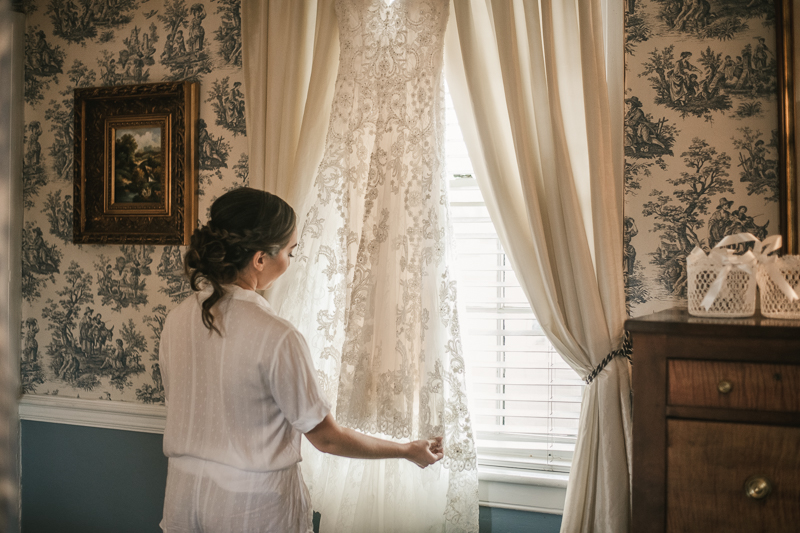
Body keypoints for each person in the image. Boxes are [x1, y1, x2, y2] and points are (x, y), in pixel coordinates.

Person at [158, 187, 443, 532]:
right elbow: (326, 438)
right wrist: (407, 450)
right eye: (291, 252)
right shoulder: (277, 336)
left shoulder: (175, 320)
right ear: (260, 259)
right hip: (252, 508)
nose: (291, 262)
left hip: (182, 498)